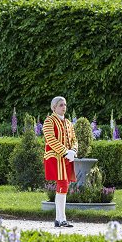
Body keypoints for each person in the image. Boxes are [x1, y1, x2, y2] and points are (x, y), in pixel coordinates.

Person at [43, 96, 78, 227]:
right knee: (63, 184)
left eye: (65, 105)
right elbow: (50, 139)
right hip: (56, 158)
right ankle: (61, 219)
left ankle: (59, 219)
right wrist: (65, 151)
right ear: (54, 108)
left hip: (67, 158)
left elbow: (74, 139)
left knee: (63, 186)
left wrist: (73, 151)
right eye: (61, 105)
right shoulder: (49, 121)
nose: (64, 107)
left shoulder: (69, 122)